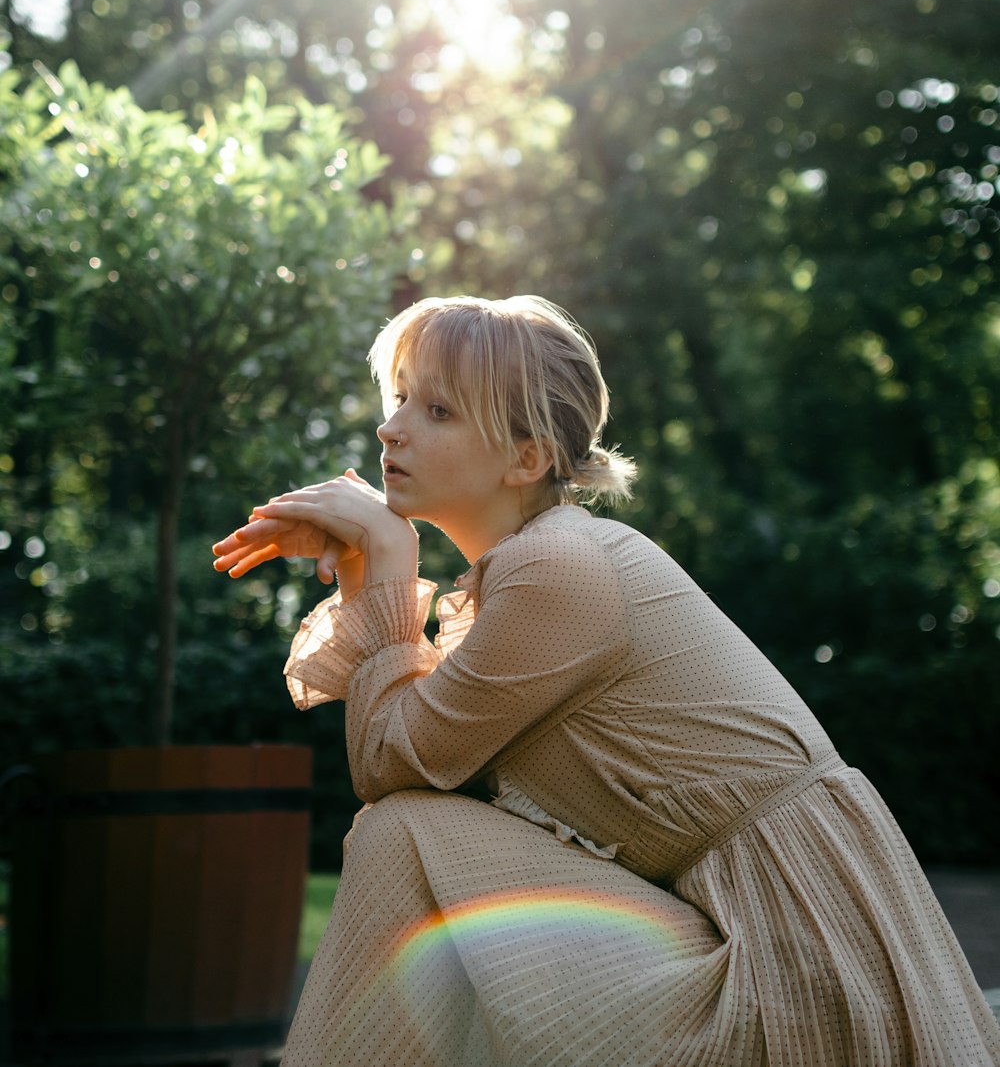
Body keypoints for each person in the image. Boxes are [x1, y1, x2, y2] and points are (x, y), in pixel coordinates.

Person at [213, 295, 1000, 1067]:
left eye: (438, 411)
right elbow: (420, 759)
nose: (390, 427)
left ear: (528, 458)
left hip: (796, 967)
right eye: (399, 400)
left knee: (401, 833)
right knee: (412, 837)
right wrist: (363, 571)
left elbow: (391, 768)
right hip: (742, 929)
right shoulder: (534, 568)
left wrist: (387, 557)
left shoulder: (557, 568)